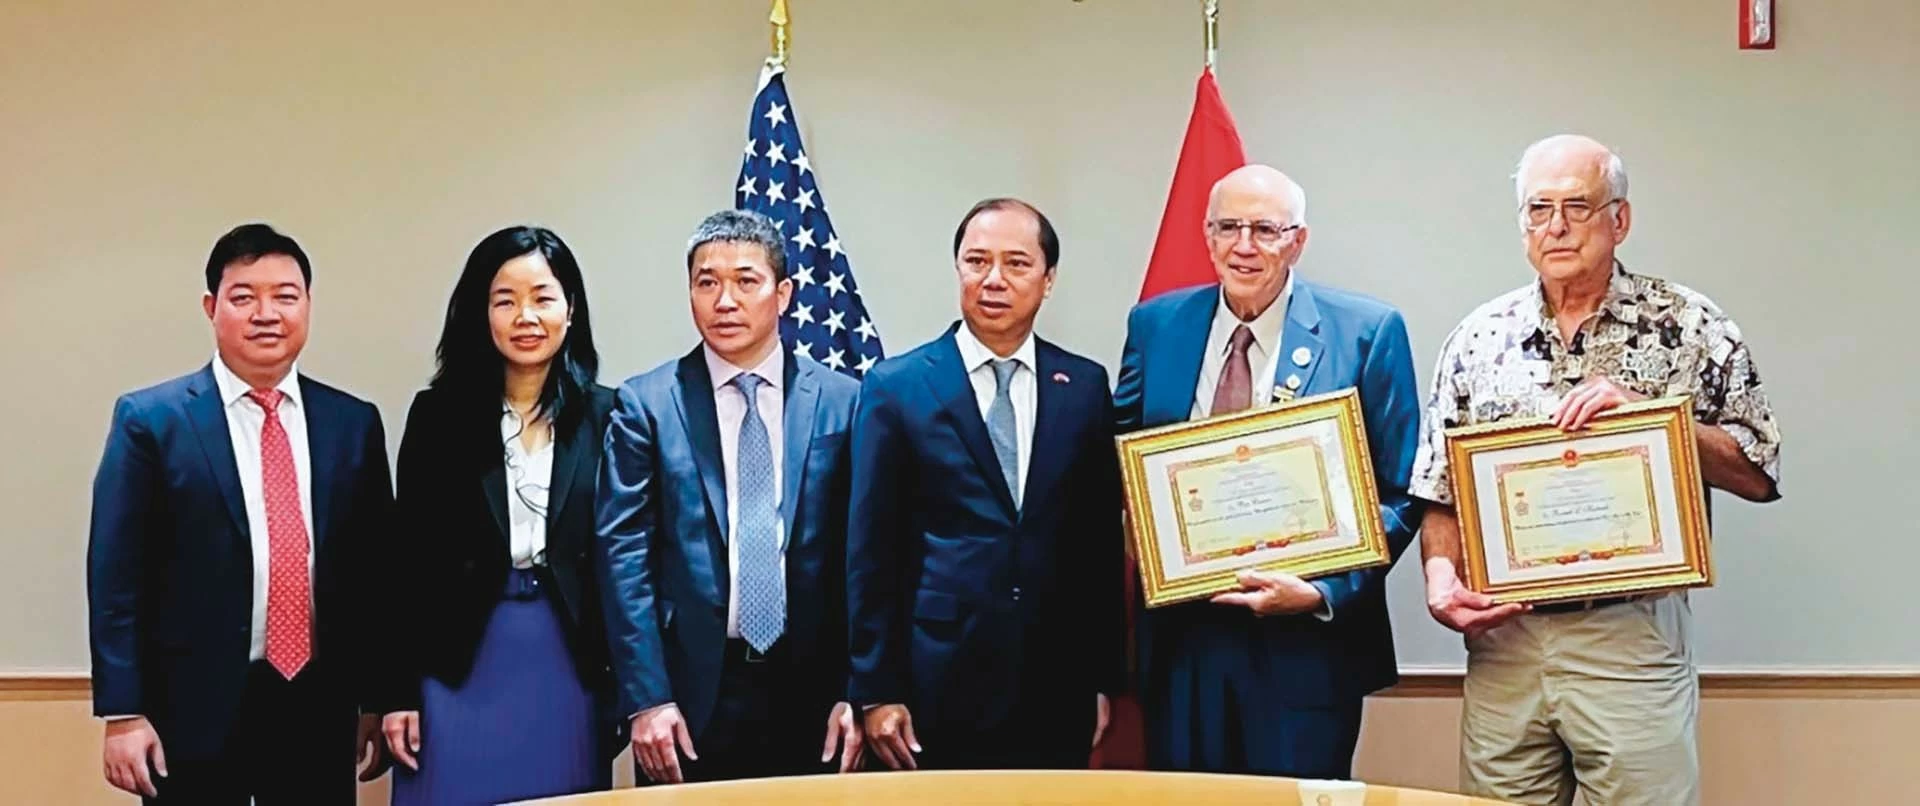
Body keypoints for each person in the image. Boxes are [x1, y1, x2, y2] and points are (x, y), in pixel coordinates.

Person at [1411, 134, 1783, 805]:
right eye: (1538, 209)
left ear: (1620, 219)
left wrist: (1653, 417)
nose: (1555, 227)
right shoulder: (1478, 338)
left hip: (1630, 633)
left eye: (1577, 207)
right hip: (1507, 642)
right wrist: (1441, 576)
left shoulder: (1690, 325)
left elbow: (1757, 469)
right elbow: (1441, 490)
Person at [1113, 165, 1423, 778]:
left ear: (1298, 240)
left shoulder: (1365, 331)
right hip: (1183, 641)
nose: (1244, 245)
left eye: (1265, 229)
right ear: (1206, 235)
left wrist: (1324, 590)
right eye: (1228, 227)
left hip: (1305, 644)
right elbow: (1119, 455)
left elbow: (1404, 489)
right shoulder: (1155, 325)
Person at [86, 223, 390, 803]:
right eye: (244, 296)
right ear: (211, 307)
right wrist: (124, 713)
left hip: (317, 701)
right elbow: (115, 576)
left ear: (308, 305)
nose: (266, 313)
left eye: (285, 295)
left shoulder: (353, 424)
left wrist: (376, 696)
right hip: (190, 705)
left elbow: (374, 573)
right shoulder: (151, 421)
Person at [848, 197, 1124, 771]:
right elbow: (870, 549)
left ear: (1048, 281)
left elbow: (1097, 544)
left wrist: (1102, 678)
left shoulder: (1085, 387)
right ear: (958, 271)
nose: (993, 279)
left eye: (1017, 264)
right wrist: (876, 689)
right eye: (977, 261)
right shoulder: (897, 386)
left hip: (1057, 684)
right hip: (933, 681)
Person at [598, 209, 863, 784]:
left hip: (814, 693)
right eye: (706, 282)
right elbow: (624, 561)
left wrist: (858, 689)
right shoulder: (647, 404)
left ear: (784, 293)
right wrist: (646, 699)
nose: (725, 301)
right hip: (689, 698)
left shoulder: (847, 401)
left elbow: (865, 558)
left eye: (746, 281)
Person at [377, 226, 619, 803]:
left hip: (569, 662)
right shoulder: (437, 417)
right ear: (480, 313)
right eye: (505, 300)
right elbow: (402, 564)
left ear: (570, 308)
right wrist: (394, 692)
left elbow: (627, 560)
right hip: (455, 662)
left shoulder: (610, 416)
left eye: (542, 297)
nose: (525, 316)